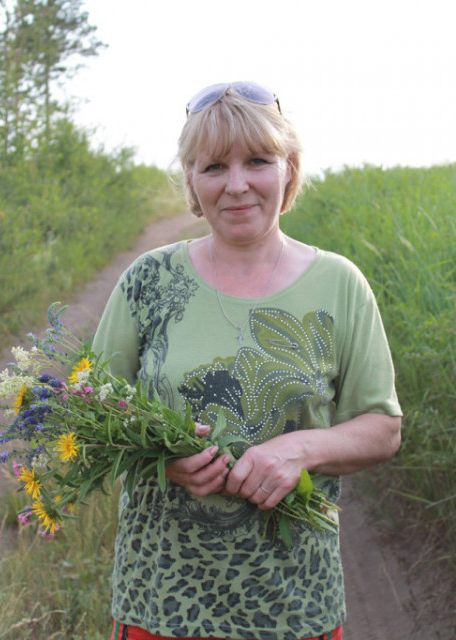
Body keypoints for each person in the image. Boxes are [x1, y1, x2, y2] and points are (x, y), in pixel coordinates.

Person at [93, 81, 402, 640]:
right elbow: (91, 412)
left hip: (293, 603)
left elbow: (381, 428)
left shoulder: (340, 284)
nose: (237, 185)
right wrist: (160, 459)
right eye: (213, 166)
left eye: (256, 161)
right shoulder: (148, 282)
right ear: (191, 180)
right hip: (162, 599)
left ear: (288, 168)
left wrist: (300, 449)